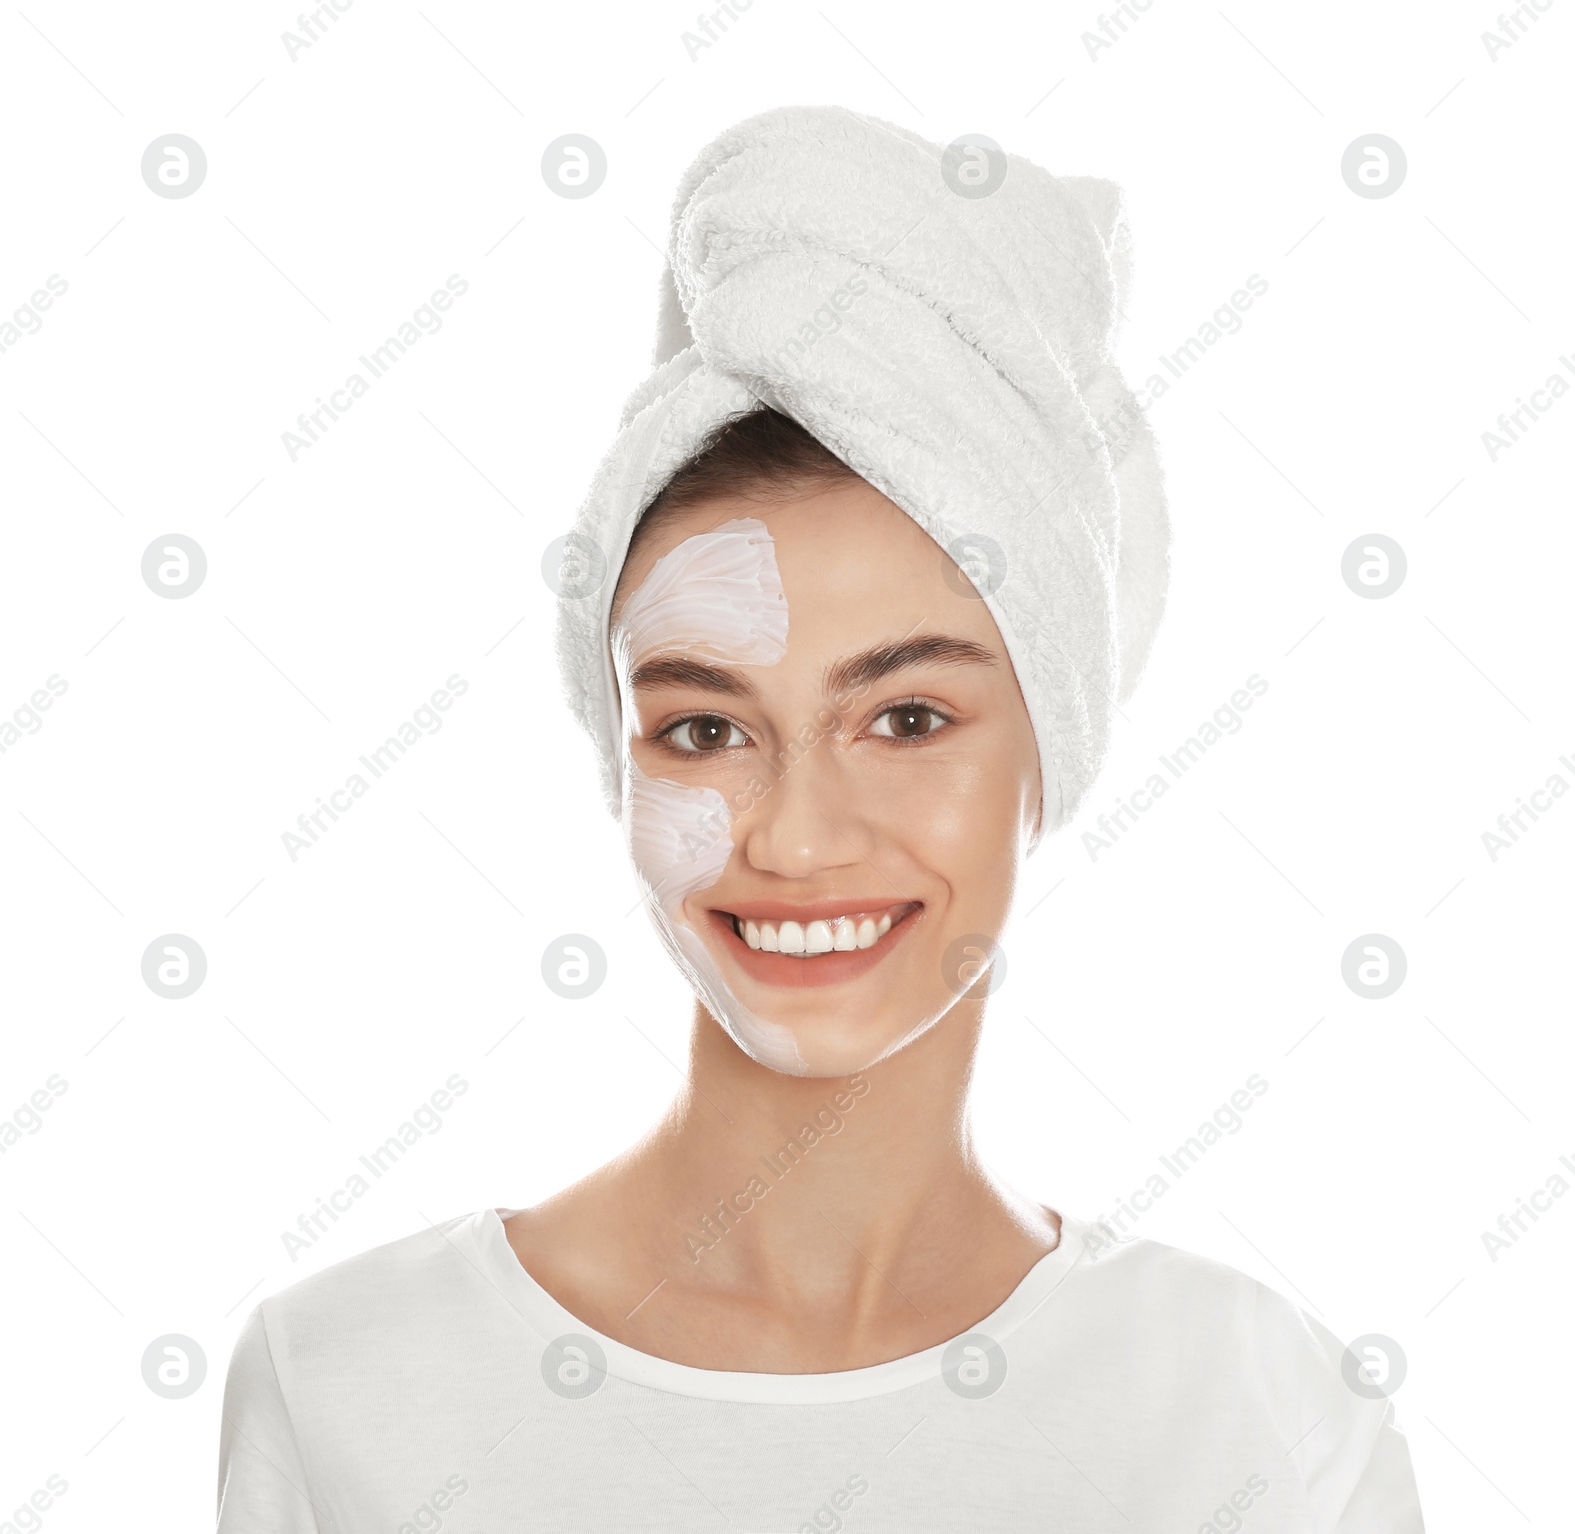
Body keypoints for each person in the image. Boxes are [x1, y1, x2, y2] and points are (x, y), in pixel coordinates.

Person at [217, 107, 1424, 1532]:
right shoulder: (350, 1381)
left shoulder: (1257, 1410)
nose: (792, 839)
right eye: (706, 727)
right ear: (621, 759)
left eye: (907, 718)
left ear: (1058, 736)